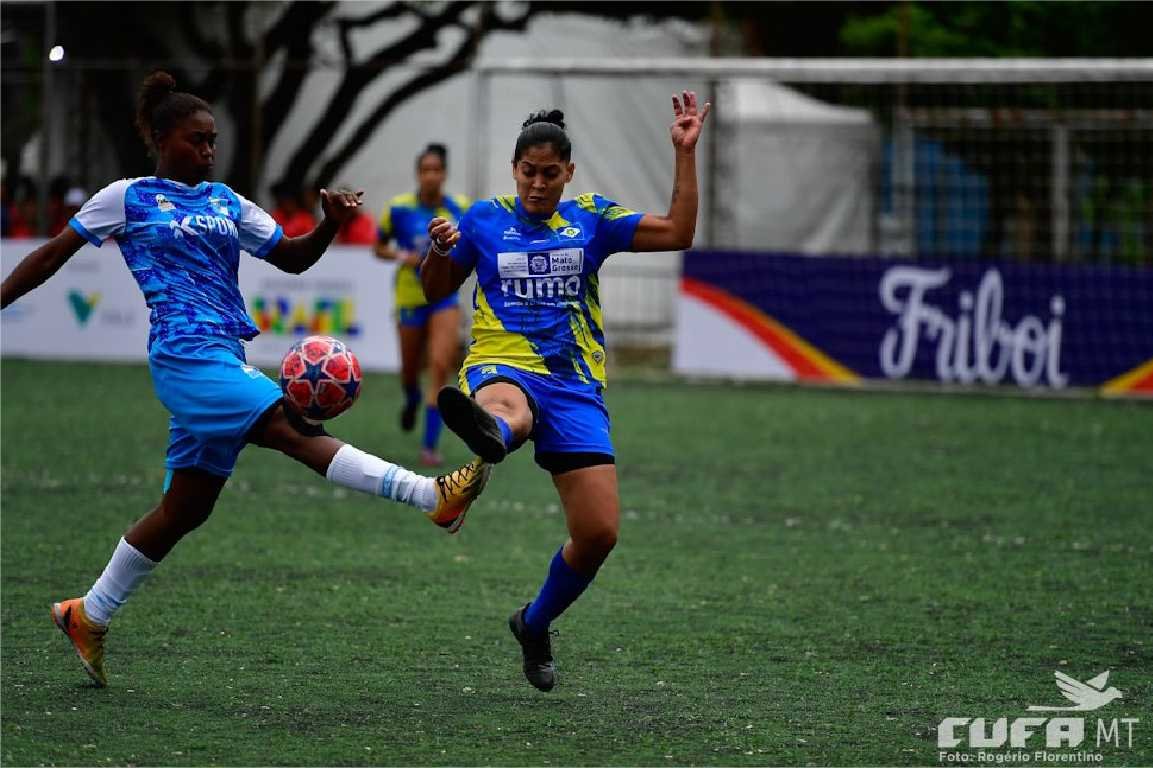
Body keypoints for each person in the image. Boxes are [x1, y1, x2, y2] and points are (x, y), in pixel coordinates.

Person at [0, 71, 491, 688]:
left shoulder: (228, 202)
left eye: (213, 141)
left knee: (186, 507)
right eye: (196, 140)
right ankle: (431, 497)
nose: (209, 151)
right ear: (161, 138)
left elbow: (292, 256)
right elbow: (52, 253)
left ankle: (87, 612)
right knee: (289, 425)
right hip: (184, 358)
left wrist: (331, 224)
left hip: (224, 355)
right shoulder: (126, 197)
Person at [420, 92, 710, 691]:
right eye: (529, 172)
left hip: (576, 384)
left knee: (599, 534)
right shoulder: (483, 219)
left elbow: (680, 231)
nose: (538, 184)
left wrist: (683, 152)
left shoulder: (591, 219)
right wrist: (438, 252)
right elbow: (435, 289)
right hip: (503, 362)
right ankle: (491, 434)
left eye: (551, 174)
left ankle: (534, 621)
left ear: (569, 173)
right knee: (510, 411)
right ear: (514, 169)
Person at [374, 143, 469, 467]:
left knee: (440, 366)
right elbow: (378, 247)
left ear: (444, 174)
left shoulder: (459, 208)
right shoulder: (399, 209)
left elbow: (469, 248)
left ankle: (429, 446)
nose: (431, 176)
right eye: (425, 170)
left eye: (436, 170)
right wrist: (405, 256)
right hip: (410, 297)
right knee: (410, 372)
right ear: (418, 174)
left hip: (444, 298)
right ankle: (412, 398)